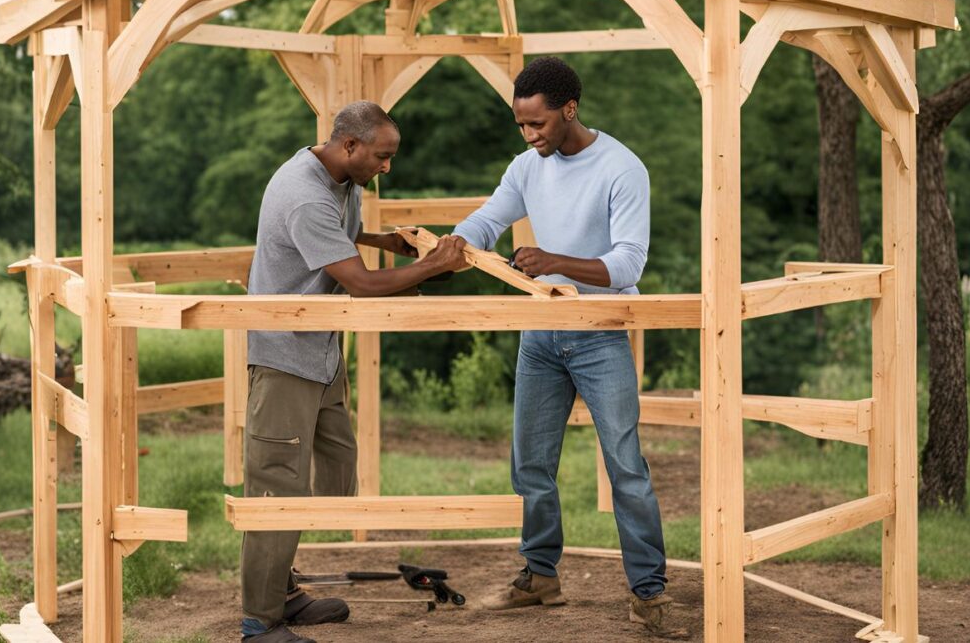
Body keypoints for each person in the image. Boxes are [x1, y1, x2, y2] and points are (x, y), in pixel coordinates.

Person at [453, 57, 670, 630]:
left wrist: (554, 263)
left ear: (568, 109)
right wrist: (453, 244)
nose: (529, 136)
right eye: (521, 126)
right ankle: (540, 576)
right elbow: (488, 218)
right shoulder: (528, 166)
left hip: (601, 334)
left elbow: (628, 263)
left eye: (537, 125)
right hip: (541, 337)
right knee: (530, 465)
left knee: (626, 466)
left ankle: (649, 593)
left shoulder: (622, 168)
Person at [241, 101, 466, 643]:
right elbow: (362, 285)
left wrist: (383, 243)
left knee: (335, 469)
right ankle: (259, 618)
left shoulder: (345, 180)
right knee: (277, 484)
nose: (388, 166)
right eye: (382, 156)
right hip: (284, 356)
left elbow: (340, 240)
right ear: (350, 146)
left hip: (322, 350)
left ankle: (284, 589)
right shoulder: (304, 193)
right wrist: (431, 267)